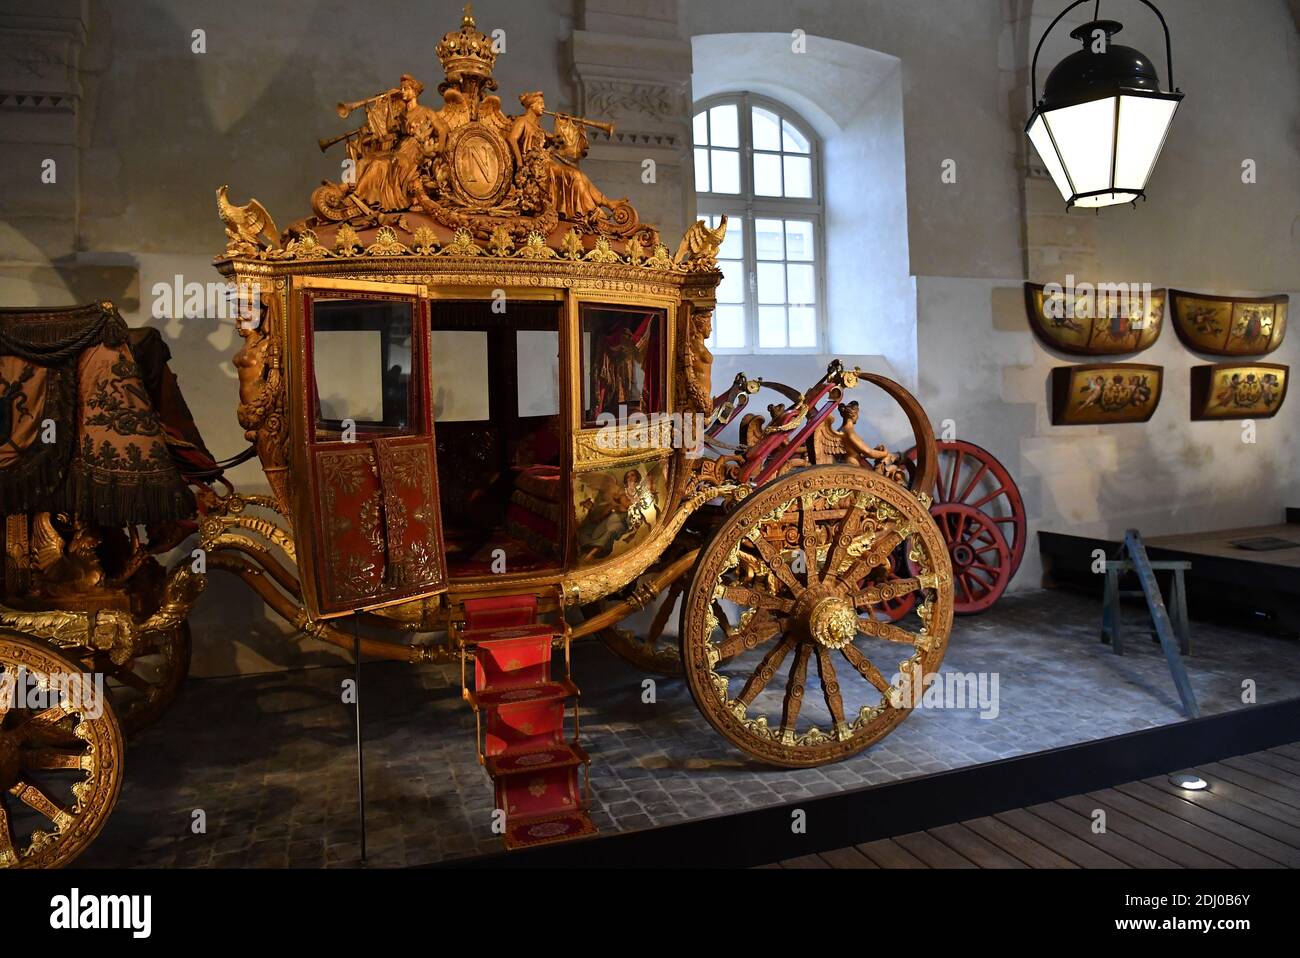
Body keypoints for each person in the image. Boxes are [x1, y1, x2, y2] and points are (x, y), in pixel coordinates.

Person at [509, 91, 621, 221]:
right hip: (536, 167)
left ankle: (606, 202)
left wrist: (564, 125)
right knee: (575, 176)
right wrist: (520, 162)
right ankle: (592, 212)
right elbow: (512, 139)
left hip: (545, 162)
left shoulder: (538, 127)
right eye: (539, 104)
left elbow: (557, 140)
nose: (543, 107)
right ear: (531, 106)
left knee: (580, 175)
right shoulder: (522, 121)